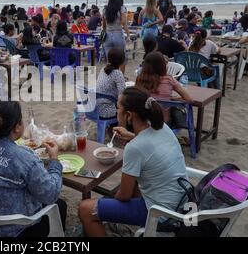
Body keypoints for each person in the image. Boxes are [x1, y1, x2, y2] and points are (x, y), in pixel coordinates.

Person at [78, 86, 188, 237]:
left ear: (129, 115)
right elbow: (149, 146)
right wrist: (131, 135)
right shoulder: (163, 128)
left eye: (118, 108)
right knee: (134, 183)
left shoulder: (134, 148)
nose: (117, 111)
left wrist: (112, 200)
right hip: (180, 201)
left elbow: (124, 195)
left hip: (160, 214)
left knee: (85, 209)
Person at [0, 101, 66, 237]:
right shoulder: (25, 158)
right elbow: (51, 194)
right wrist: (54, 161)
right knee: (60, 205)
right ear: (17, 127)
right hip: (15, 232)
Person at [136, 51, 192, 123]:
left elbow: (136, 98)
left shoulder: (140, 79)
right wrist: (171, 99)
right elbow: (189, 99)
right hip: (163, 122)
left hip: (143, 121)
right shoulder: (169, 80)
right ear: (163, 65)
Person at [102, 0, 131, 70]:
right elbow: (124, 23)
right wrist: (128, 35)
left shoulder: (105, 10)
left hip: (107, 35)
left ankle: (110, 79)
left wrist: (104, 34)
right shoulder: (121, 8)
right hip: (118, 34)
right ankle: (120, 78)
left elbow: (103, 25)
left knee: (109, 60)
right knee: (121, 59)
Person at [96, 48, 126, 121]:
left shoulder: (103, 69)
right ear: (122, 61)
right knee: (129, 109)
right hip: (108, 111)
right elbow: (122, 95)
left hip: (97, 108)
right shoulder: (118, 73)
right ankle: (122, 130)